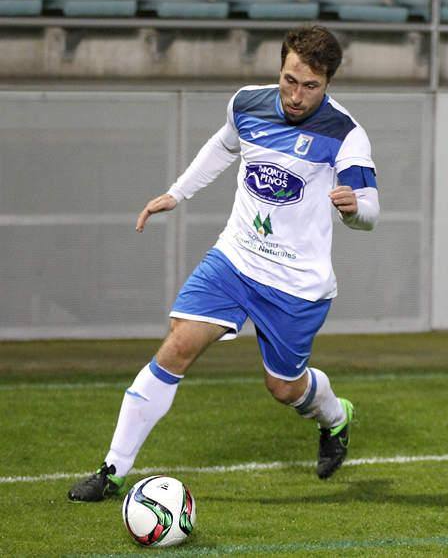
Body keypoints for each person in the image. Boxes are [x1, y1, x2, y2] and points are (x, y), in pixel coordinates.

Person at [68, 25, 380, 502]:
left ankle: (335, 416)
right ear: (280, 68)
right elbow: (223, 146)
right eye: (289, 80)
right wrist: (177, 193)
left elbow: (371, 211)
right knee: (177, 343)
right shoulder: (247, 104)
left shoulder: (345, 135)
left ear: (328, 83)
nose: (296, 96)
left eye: (310, 86)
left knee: (283, 387)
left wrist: (356, 210)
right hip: (235, 258)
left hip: (296, 283)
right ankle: (112, 471)